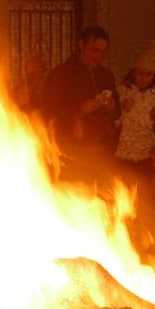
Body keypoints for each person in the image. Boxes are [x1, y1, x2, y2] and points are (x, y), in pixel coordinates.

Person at [39, 26, 118, 189]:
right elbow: (48, 110)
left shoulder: (105, 75)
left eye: (103, 52)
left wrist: (112, 108)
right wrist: (78, 112)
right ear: (81, 45)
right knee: (73, 192)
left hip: (99, 147)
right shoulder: (60, 75)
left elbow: (116, 114)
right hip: (70, 146)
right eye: (95, 50)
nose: (98, 56)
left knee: (100, 193)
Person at [115, 41, 155, 165]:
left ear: (153, 76)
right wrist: (122, 109)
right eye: (140, 74)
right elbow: (113, 120)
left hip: (149, 155)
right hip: (123, 152)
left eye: (148, 74)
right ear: (134, 73)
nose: (144, 78)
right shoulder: (122, 91)